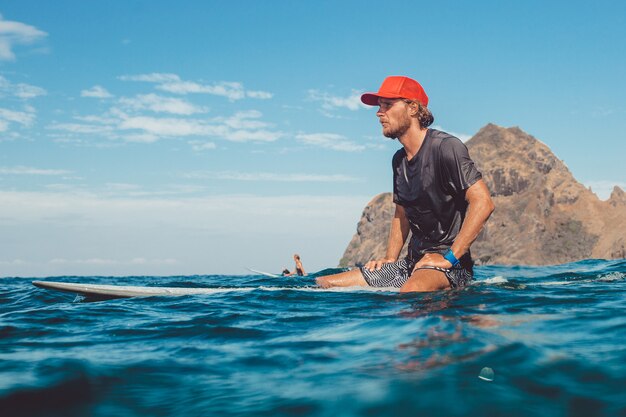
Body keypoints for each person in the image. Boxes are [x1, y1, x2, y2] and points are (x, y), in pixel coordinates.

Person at [316, 76, 494, 293]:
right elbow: (401, 213)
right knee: (323, 284)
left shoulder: (446, 147)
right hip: (410, 264)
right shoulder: (398, 160)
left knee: (410, 292)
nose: (379, 113)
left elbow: (483, 202)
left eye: (388, 105)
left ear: (412, 108)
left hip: (450, 265)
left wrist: (450, 258)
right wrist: (390, 259)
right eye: (379, 106)